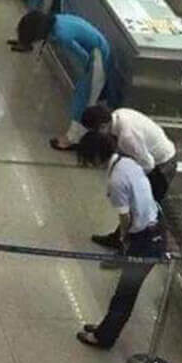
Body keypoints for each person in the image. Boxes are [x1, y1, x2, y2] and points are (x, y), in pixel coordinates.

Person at [74, 130, 164, 349]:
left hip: (147, 241)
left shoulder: (116, 181)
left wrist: (124, 240)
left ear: (96, 157)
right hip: (155, 224)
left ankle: (104, 338)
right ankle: (104, 329)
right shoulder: (127, 163)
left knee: (124, 294)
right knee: (123, 292)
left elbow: (125, 219)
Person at [81, 105, 177, 250]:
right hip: (156, 156)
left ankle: (132, 248)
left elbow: (148, 164)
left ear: (102, 127)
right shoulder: (118, 115)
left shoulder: (127, 137)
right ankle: (119, 239)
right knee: (136, 209)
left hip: (162, 165)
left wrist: (131, 181)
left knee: (142, 211)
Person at [13, 10, 112, 150]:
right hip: (97, 49)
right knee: (84, 96)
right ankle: (81, 133)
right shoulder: (56, 20)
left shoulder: (61, 35)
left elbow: (84, 56)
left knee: (84, 99)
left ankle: (74, 139)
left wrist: (86, 78)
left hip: (97, 58)